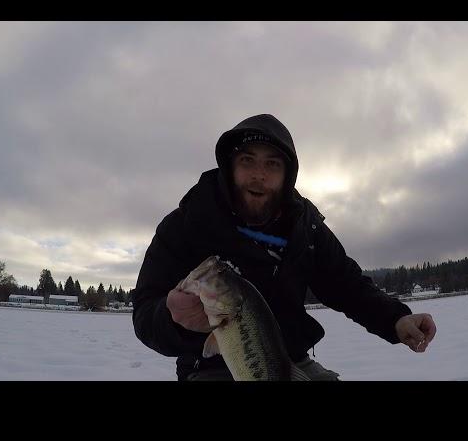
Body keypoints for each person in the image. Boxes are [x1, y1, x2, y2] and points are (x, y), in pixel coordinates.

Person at [132, 114, 437, 381]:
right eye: (246, 160)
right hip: (208, 368)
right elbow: (145, 313)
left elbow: (347, 284)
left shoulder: (304, 226)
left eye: (272, 164)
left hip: (293, 364)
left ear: (288, 174)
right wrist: (175, 322)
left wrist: (395, 319)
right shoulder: (188, 222)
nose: (258, 175)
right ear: (229, 167)